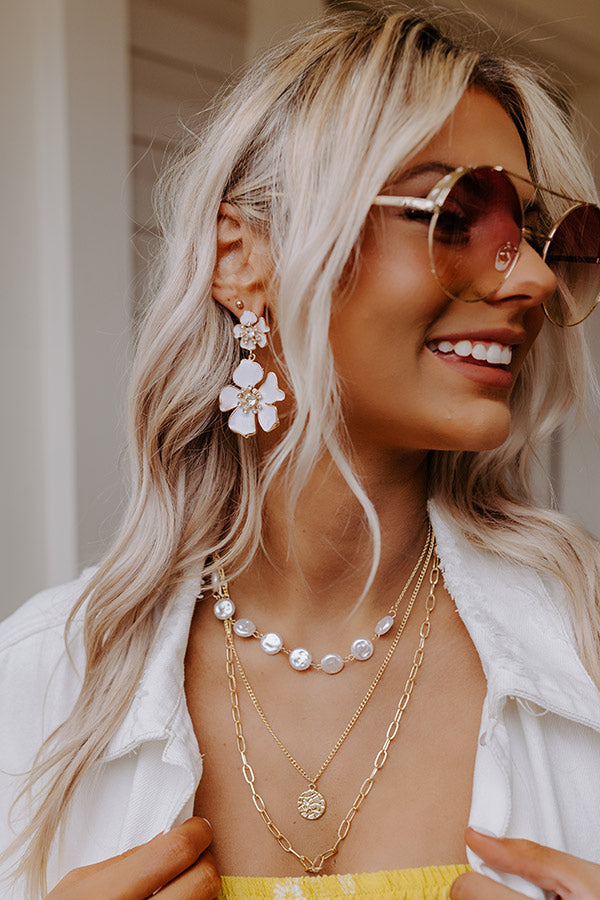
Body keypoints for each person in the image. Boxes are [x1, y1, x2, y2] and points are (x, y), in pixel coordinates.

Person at [2, 6, 600, 900]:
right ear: (244, 257)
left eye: (544, 233)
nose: (533, 279)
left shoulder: (588, 645)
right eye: (456, 214)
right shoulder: (37, 681)